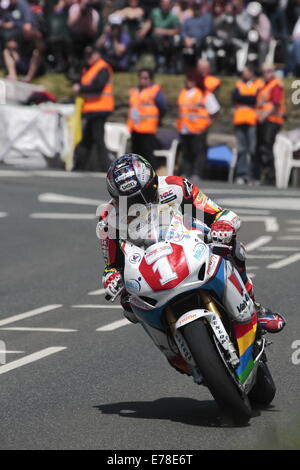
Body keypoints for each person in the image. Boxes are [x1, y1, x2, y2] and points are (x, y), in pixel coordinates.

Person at [98, 153, 286, 334]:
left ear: (153, 182)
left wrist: (223, 224)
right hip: (149, 263)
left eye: (145, 193)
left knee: (234, 248)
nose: (142, 203)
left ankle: (254, 306)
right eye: (130, 202)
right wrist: (111, 276)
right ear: (116, 200)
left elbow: (218, 213)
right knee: (127, 303)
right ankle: (167, 341)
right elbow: (112, 265)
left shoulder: (177, 186)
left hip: (187, 241)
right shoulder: (109, 218)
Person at [72, 46, 114, 171]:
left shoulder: (102, 67)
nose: (88, 58)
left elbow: (99, 85)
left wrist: (81, 88)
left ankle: (106, 168)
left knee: (98, 139)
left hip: (100, 108)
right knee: (87, 140)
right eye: (87, 55)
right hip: (92, 109)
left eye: (91, 55)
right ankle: (80, 166)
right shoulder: (90, 69)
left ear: (98, 54)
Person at [176, 73, 220, 182]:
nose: (189, 82)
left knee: (198, 152)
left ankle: (197, 173)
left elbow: (214, 110)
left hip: (198, 128)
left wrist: (208, 121)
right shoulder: (183, 93)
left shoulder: (205, 94)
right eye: (188, 79)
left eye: (192, 80)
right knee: (186, 152)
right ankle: (186, 172)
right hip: (185, 128)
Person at [127, 68, 167, 169]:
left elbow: (163, 107)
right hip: (135, 127)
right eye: (141, 77)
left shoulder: (155, 91)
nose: (142, 80)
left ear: (150, 79)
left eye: (145, 78)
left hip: (147, 127)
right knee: (136, 154)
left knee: (147, 153)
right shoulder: (135, 91)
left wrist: (158, 120)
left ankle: (151, 175)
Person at [232, 64, 263, 184]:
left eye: (245, 72)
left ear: (251, 72)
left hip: (252, 120)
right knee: (241, 149)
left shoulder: (258, 84)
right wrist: (247, 98)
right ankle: (241, 174)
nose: (243, 74)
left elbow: (256, 99)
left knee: (252, 149)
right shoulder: (239, 84)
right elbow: (235, 97)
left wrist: (244, 98)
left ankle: (252, 175)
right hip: (239, 119)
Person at [255, 62, 285, 184]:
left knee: (267, 148)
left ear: (272, 72)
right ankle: (264, 175)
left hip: (272, 120)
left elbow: (275, 104)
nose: (265, 74)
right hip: (264, 120)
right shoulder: (264, 85)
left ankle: (270, 178)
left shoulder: (275, 85)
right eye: (263, 71)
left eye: (268, 71)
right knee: (261, 148)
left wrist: (263, 115)